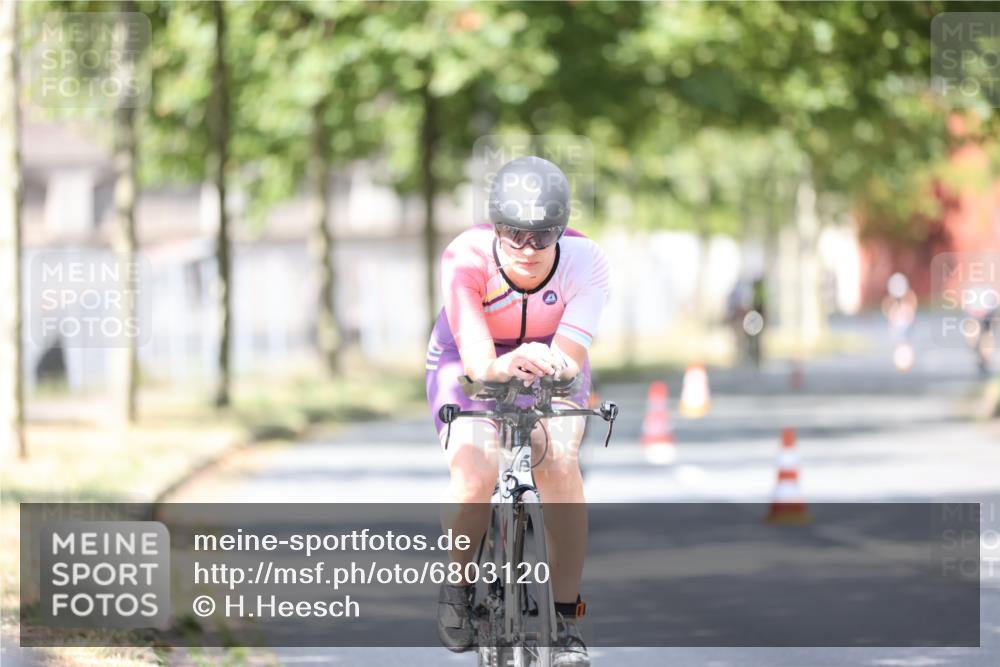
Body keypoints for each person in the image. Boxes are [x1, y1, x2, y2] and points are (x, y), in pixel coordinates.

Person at [425, 156, 610, 666]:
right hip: (466, 359)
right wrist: (503, 363)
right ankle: (458, 588)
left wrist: (546, 363)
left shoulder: (585, 260)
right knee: (474, 474)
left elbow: (568, 364)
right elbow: (480, 363)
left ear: (561, 231)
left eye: (542, 237)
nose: (527, 249)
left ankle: (567, 621)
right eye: (512, 236)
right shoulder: (465, 256)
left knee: (560, 465)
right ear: (494, 228)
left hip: (553, 362)